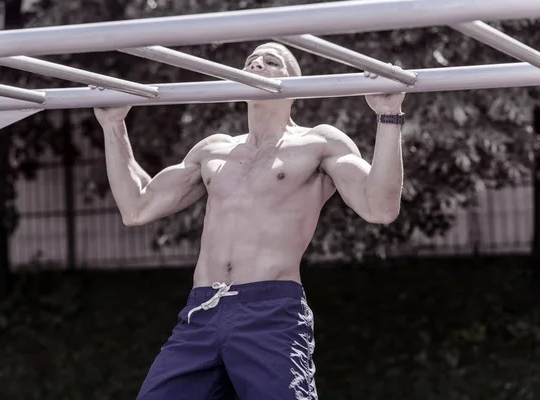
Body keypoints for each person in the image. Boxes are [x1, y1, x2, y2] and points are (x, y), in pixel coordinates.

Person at [94, 42, 405, 400]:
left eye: (271, 61)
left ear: (294, 82)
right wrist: (113, 124)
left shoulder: (319, 143)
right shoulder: (213, 150)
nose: (257, 63)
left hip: (269, 312)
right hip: (202, 312)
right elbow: (137, 207)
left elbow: (380, 207)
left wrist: (389, 115)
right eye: (251, 60)